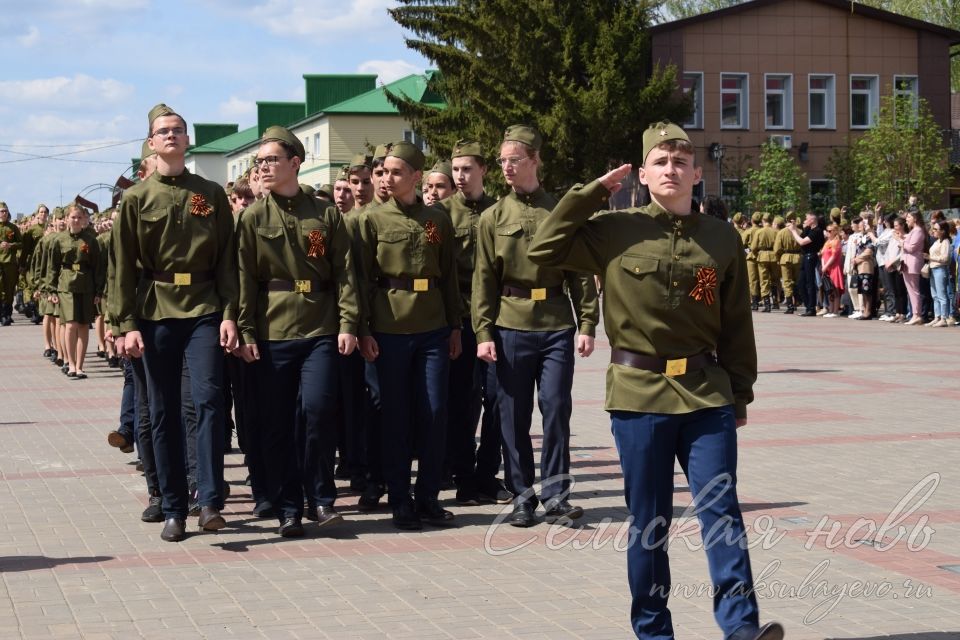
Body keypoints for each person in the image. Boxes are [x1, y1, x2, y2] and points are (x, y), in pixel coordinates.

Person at [527, 121, 782, 640]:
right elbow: (544, 249)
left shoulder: (721, 238)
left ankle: (741, 629)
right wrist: (593, 193)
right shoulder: (613, 230)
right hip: (639, 395)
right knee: (649, 525)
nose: (671, 170)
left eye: (680, 162)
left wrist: (740, 393)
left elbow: (737, 323)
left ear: (696, 172)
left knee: (722, 512)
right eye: (660, 162)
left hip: (706, 392)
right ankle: (653, 631)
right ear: (643, 174)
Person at [114, 103, 239, 542]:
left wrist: (229, 314)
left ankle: (209, 500)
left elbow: (228, 261)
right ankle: (173, 507)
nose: (171, 136)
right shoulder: (136, 198)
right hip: (153, 313)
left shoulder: (210, 193)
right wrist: (124, 324)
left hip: (204, 308)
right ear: (151, 143)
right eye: (163, 131)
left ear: (188, 140)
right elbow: (123, 268)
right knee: (163, 411)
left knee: (207, 401)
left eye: (178, 130)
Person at [235, 126, 360, 536]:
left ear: (295, 162)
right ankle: (289, 506)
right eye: (260, 161)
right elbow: (244, 279)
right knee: (278, 423)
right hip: (273, 332)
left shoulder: (324, 213)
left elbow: (344, 272)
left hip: (320, 328)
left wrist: (348, 323)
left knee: (319, 413)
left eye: (272, 159)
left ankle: (321, 499)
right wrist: (247, 332)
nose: (264, 166)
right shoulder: (254, 217)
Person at [473, 125, 599, 528]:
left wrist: (588, 324)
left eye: (515, 160)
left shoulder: (560, 211)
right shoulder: (493, 216)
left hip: (556, 325)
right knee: (512, 414)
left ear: (535, 160)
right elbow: (484, 280)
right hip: (510, 323)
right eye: (502, 161)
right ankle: (522, 496)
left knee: (557, 407)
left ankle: (557, 496)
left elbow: (580, 273)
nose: (507, 168)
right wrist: (483, 332)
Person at [357, 140, 462, 530]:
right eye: (383, 171)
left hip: (433, 327)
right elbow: (362, 281)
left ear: (417, 177)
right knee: (396, 417)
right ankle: (400, 499)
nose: (387, 177)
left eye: (397, 171)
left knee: (435, 412)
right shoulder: (372, 220)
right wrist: (364, 328)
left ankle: (429, 497)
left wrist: (455, 325)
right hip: (389, 328)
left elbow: (448, 276)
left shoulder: (438, 219)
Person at [437, 139, 511, 506]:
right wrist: (451, 323)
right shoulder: (440, 215)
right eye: (456, 169)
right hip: (459, 320)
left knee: (497, 401)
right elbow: (438, 273)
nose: (461, 176)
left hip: (497, 319)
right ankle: (464, 477)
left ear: (484, 170)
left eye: (468, 169)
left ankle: (487, 475)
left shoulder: (500, 212)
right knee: (461, 402)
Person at [44, 204, 103, 377]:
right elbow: (52, 267)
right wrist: (51, 291)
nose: (76, 220)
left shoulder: (91, 239)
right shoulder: (59, 240)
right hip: (66, 285)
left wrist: (99, 291)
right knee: (70, 325)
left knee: (84, 325)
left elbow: (98, 266)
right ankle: (70, 363)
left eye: (79, 217)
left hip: (86, 285)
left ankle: (79, 366)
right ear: (67, 219)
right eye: (73, 217)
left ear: (84, 219)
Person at [787, 212, 825, 316]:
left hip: (811, 256)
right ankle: (808, 305)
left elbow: (802, 242)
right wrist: (794, 228)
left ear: (812, 220)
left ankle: (811, 308)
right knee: (800, 283)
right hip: (805, 257)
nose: (805, 220)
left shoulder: (817, 231)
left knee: (810, 283)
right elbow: (799, 238)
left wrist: (793, 230)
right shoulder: (809, 229)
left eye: (806, 218)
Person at [900, 209, 926, 326]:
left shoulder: (918, 231)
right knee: (911, 290)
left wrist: (901, 242)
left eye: (909, 217)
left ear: (915, 218)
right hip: (907, 263)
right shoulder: (913, 231)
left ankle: (917, 315)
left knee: (914, 290)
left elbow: (911, 248)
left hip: (913, 263)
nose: (906, 220)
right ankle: (915, 314)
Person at [0, 201, 23, 326]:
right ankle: (2, 313)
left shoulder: (13, 228)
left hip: (10, 262)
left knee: (9, 288)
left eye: (5, 211)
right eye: (1, 211)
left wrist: (11, 245)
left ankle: (7, 313)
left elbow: (21, 243)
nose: (4, 213)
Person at [773, 212, 801, 313]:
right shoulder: (800, 231)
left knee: (787, 281)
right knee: (797, 281)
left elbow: (777, 249)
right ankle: (796, 301)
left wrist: (778, 258)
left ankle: (790, 306)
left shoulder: (782, 232)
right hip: (798, 257)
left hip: (785, 258)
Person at [926, 219, 952, 327]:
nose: (934, 231)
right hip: (933, 269)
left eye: (936, 229)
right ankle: (937, 316)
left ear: (943, 231)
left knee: (942, 295)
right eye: (933, 229)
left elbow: (945, 258)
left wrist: (930, 257)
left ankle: (944, 318)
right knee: (934, 295)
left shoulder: (945, 242)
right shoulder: (937, 241)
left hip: (940, 269)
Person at [750, 212, 777, 313]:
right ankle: (775, 301)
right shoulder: (776, 232)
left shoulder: (759, 232)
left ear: (763, 221)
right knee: (774, 279)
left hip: (762, 256)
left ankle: (767, 304)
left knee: (764, 280)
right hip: (774, 256)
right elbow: (778, 246)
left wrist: (757, 254)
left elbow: (753, 247)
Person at [820, 224, 844, 317]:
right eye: (827, 230)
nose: (828, 232)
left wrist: (825, 266)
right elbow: (823, 255)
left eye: (830, 231)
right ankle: (830, 310)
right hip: (827, 268)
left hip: (834, 268)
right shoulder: (827, 242)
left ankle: (835, 311)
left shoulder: (836, 242)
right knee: (829, 290)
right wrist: (823, 266)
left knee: (835, 290)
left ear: (835, 232)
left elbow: (833, 256)